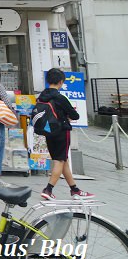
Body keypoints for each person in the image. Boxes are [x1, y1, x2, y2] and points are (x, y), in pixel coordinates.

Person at [38, 67, 93, 200]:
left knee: (63, 160)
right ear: (61, 81)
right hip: (61, 131)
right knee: (60, 160)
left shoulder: (42, 96)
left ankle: (74, 190)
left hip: (48, 132)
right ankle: (48, 189)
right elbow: (75, 115)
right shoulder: (59, 97)